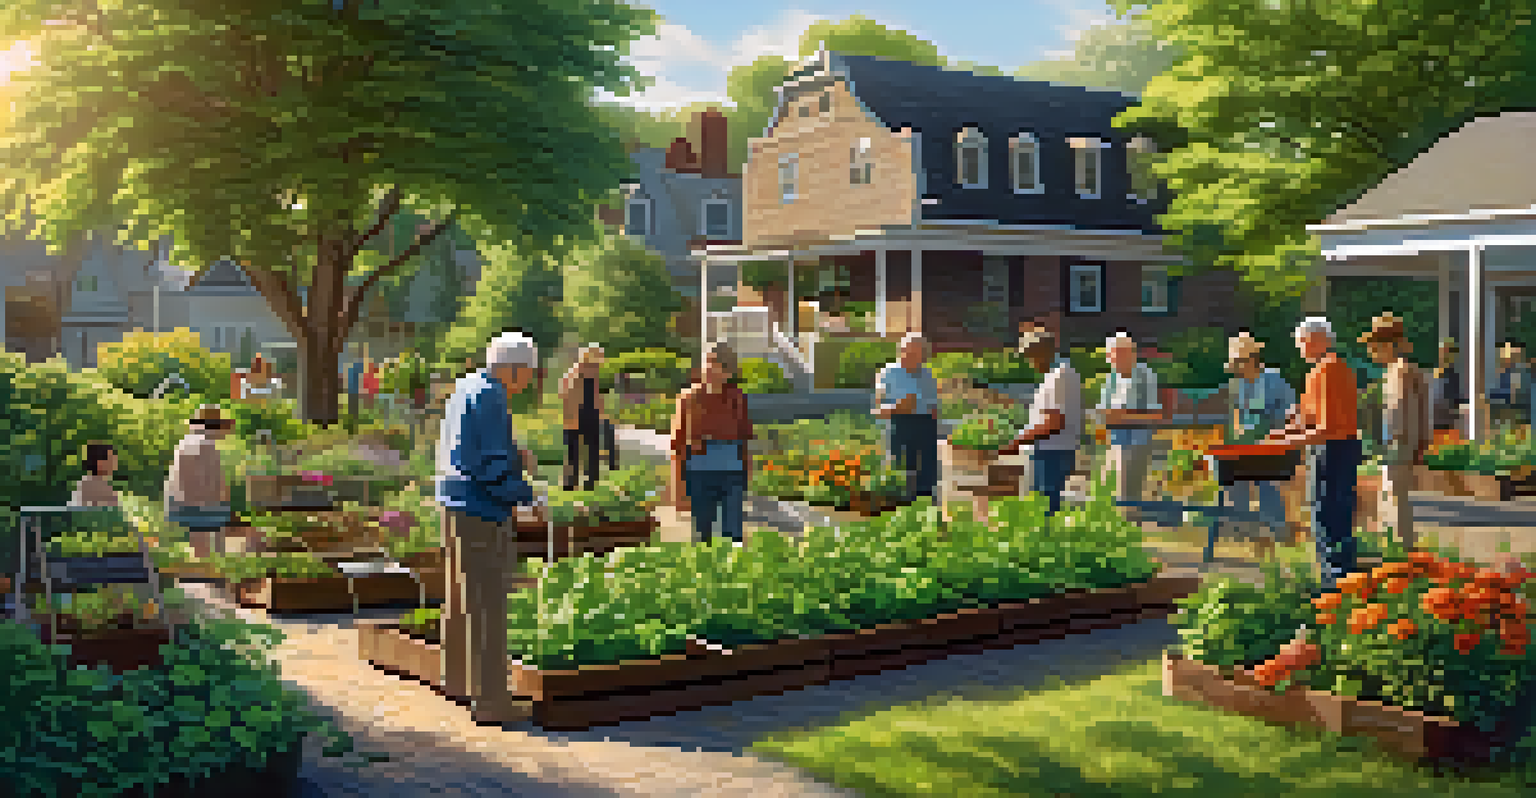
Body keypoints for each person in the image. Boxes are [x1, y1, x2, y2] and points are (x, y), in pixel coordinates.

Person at [435, 331, 541, 725]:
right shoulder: (492, 395)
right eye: (528, 372)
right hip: (480, 508)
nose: (529, 380)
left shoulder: (468, 385)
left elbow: (468, 446)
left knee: (461, 599)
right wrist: (527, 496)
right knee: (488, 604)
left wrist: (515, 454)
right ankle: (492, 701)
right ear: (513, 368)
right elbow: (491, 465)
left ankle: (458, 683)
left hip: (454, 502)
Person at [1263, 317, 1361, 591]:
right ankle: (1336, 579)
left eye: (1302, 343)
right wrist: (1281, 435)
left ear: (1317, 340)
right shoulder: (1320, 370)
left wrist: (1286, 442)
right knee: (1327, 513)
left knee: (1330, 516)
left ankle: (1336, 583)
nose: (1299, 349)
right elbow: (1307, 418)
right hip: (1333, 447)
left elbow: (1326, 428)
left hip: (1335, 449)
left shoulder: (1329, 370)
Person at [670, 342, 754, 543]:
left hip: (732, 474)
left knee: (733, 536)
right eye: (707, 361)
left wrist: (747, 479)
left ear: (728, 371)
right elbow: (677, 445)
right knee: (702, 536)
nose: (709, 368)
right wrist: (678, 489)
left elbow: (745, 441)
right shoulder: (688, 399)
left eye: (716, 363)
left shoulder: (737, 398)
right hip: (699, 473)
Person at [1360, 313, 1431, 550]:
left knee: (1396, 496)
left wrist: (1398, 441)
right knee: (1394, 495)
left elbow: (1402, 410)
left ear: (1388, 345)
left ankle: (1403, 548)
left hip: (1399, 442)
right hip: (1400, 441)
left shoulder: (1400, 371)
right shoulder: (1400, 370)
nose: (1371, 352)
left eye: (1374, 347)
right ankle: (1400, 546)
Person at [998, 322, 1082, 515]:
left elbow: (1054, 422)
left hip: (1054, 453)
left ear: (1041, 352)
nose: (1029, 362)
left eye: (1030, 356)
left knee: (1046, 511)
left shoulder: (1059, 375)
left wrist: (1017, 441)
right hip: (1050, 450)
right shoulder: (1055, 373)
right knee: (1043, 509)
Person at [1224, 331, 1296, 542]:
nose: (1236, 368)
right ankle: (1242, 530)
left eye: (1239, 363)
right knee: (1236, 484)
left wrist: (1276, 434)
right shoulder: (1237, 384)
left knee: (1267, 485)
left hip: (1270, 442)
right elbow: (1235, 413)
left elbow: (1291, 412)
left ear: (1251, 360)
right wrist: (1236, 434)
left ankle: (1278, 531)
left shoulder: (1274, 380)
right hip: (1243, 443)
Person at [1095, 331, 1164, 503]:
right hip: (1116, 437)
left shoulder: (1145, 375)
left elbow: (1155, 414)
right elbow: (1103, 413)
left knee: (1131, 487)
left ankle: (1131, 510)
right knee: (1115, 486)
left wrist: (1124, 415)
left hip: (1138, 438)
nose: (1114, 359)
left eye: (1120, 353)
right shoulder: (1111, 379)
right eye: (1112, 355)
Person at [873, 332, 940, 503]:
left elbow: (933, 405)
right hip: (900, 422)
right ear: (902, 351)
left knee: (927, 469)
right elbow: (878, 405)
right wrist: (898, 407)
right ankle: (901, 502)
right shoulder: (888, 372)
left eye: (920, 352)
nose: (916, 357)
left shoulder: (927, 374)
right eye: (911, 352)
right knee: (901, 466)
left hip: (924, 423)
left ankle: (925, 503)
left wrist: (933, 421)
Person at [164, 405, 234, 559]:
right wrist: (223, 500)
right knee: (209, 547)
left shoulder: (187, 442)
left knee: (202, 545)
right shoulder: (205, 444)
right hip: (199, 504)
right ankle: (213, 565)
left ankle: (208, 562)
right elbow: (213, 479)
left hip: (185, 502)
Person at [559, 345, 607, 491]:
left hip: (585, 415)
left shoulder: (584, 372)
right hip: (580, 415)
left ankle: (584, 482)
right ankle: (578, 482)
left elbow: (596, 395)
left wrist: (601, 412)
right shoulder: (577, 373)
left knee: (583, 451)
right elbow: (567, 395)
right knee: (579, 451)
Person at [1489, 341, 1531, 428]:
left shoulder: (1519, 369)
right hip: (1507, 396)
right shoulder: (1503, 371)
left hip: (1514, 398)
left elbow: (1515, 390)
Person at [70, 441, 121, 508]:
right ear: (100, 463)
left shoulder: (84, 483)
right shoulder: (99, 487)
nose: (115, 465)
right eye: (111, 460)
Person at [1430, 338, 1465, 436]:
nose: (1445, 355)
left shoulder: (1455, 377)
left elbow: (1457, 401)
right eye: (1443, 351)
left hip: (1448, 424)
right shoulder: (1431, 375)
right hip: (1433, 423)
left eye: (1449, 352)